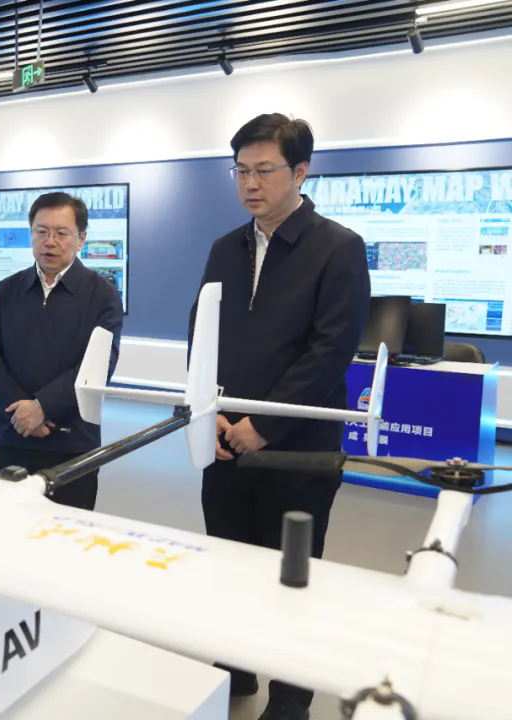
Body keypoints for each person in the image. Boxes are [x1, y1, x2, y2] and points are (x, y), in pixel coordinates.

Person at [189, 114, 370, 720]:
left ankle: (291, 698)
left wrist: (262, 427)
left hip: (299, 451)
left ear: (300, 171)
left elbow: (330, 350)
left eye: (264, 170)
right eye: (241, 170)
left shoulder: (337, 248)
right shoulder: (225, 248)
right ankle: (235, 668)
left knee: (293, 578)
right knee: (229, 565)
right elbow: (201, 332)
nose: (250, 183)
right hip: (224, 442)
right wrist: (210, 412)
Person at [0, 192, 123, 510]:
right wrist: (21, 412)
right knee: (6, 525)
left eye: (61, 233)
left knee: (68, 530)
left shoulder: (102, 295)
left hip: (72, 443)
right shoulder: (8, 290)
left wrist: (43, 407)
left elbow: (99, 365)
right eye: (41, 231)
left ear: (81, 238)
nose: (50, 242)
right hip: (13, 435)